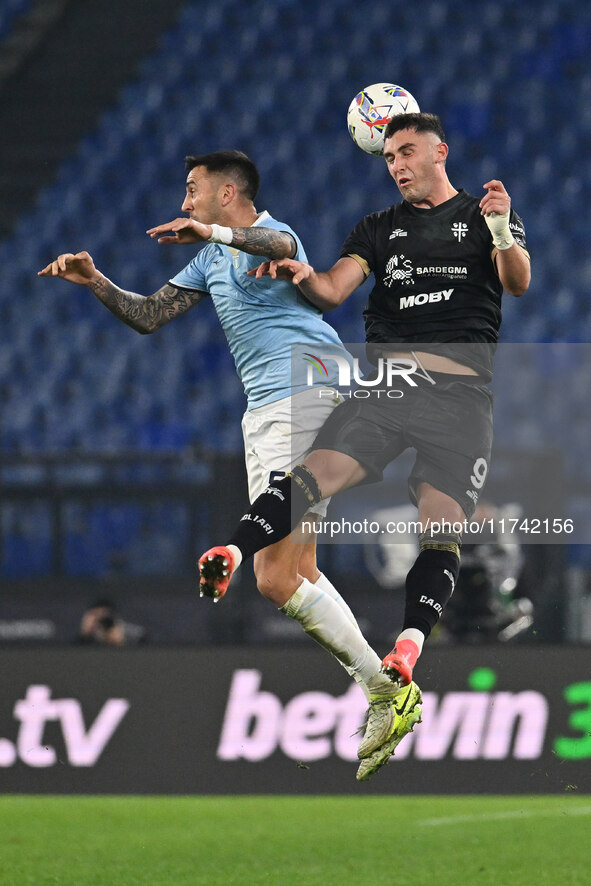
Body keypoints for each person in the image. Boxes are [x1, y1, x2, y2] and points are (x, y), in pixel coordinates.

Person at [197, 114, 531, 780]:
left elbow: (516, 279)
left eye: (408, 152)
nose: (398, 165)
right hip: (386, 388)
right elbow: (330, 289)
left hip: (459, 398)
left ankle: (403, 654)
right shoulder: (376, 230)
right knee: (312, 475)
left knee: (440, 530)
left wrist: (499, 227)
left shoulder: (483, 215)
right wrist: (299, 272)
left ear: (439, 151)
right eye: (389, 158)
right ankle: (232, 548)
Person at [39, 150, 401, 745]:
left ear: (228, 193)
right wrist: (96, 281)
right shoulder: (209, 261)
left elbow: (277, 250)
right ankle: (382, 686)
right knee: (297, 570)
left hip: (304, 388)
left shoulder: (274, 233)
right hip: (267, 410)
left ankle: (382, 688)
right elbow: (151, 315)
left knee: (271, 578)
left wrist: (210, 230)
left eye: (192, 190)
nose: (184, 202)